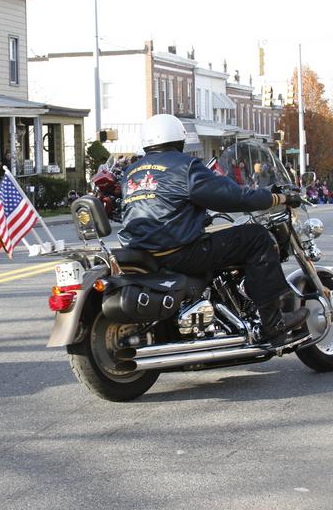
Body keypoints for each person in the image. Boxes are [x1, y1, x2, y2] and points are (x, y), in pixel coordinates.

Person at [118, 114, 307, 345]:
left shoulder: (132, 171)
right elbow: (232, 196)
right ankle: (273, 322)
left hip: (143, 252)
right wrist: (277, 197)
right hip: (180, 252)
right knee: (256, 237)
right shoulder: (185, 166)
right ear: (180, 139)